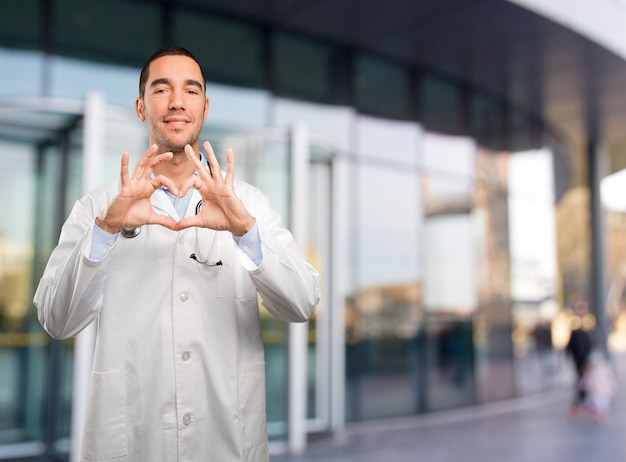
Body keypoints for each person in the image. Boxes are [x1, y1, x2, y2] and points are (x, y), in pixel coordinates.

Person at [33, 46, 320, 462]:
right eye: (161, 88)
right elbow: (56, 320)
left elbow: (302, 302)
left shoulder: (248, 205)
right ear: (140, 106)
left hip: (227, 442)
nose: (177, 101)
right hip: (131, 442)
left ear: (204, 107)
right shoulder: (99, 207)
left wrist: (245, 233)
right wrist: (106, 230)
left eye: (191, 89)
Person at [565, 301, 593, 416]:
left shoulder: (589, 322)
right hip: (579, 359)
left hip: (586, 359)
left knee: (585, 381)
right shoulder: (574, 324)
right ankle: (579, 402)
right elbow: (571, 344)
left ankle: (583, 402)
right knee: (581, 381)